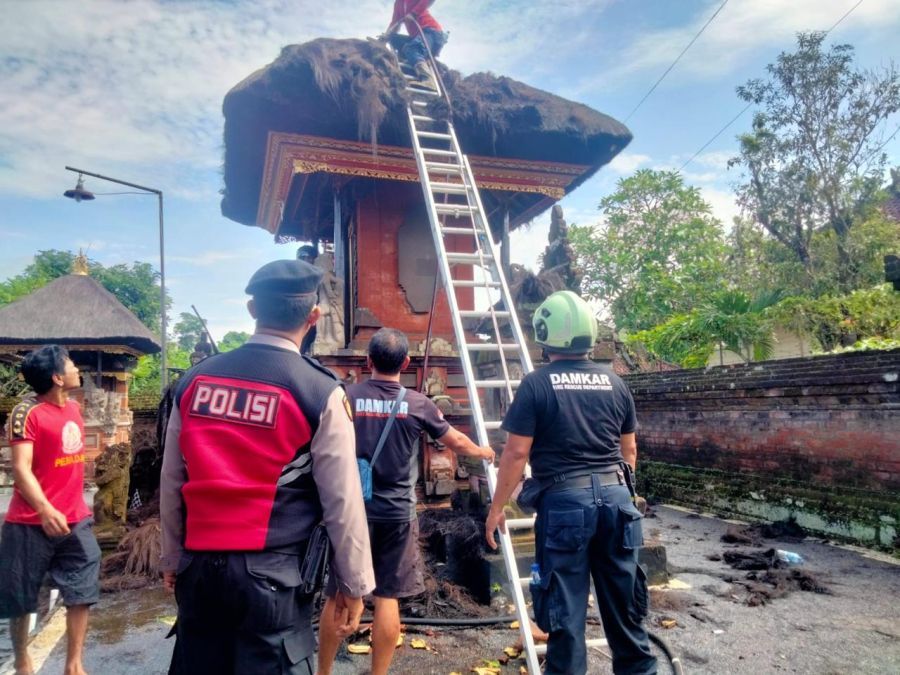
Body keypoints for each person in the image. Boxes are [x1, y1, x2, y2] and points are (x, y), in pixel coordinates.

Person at [160, 259, 375, 675]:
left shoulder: (194, 382)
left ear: (252, 310)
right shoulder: (320, 390)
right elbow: (342, 501)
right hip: (273, 578)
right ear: (314, 317)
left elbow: (172, 480)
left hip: (198, 569)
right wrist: (354, 584)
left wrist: (172, 558)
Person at [485, 291, 657, 675]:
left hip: (565, 505)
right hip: (617, 499)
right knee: (625, 608)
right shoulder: (615, 383)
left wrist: (496, 509)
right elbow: (628, 450)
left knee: (564, 614)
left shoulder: (536, 384)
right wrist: (622, 496)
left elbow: (515, 455)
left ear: (545, 335)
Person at [317, 328, 495, 675]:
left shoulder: (344, 397)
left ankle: (322, 672)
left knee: (338, 592)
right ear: (406, 363)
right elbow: (456, 440)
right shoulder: (417, 403)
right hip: (396, 514)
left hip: (349, 512)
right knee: (387, 597)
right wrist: (482, 451)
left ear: (367, 361)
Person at [0, 345, 101, 675]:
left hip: (75, 519)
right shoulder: (25, 413)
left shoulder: (73, 408)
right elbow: (21, 468)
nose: (76, 368)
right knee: (21, 597)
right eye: (70, 364)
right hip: (29, 522)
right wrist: (44, 509)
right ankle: (23, 660)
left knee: (82, 589)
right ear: (58, 377)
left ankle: (74, 664)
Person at [382, 0, 448, 82]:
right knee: (392, 38)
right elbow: (395, 22)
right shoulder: (398, 3)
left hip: (431, 31)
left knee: (412, 48)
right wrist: (386, 36)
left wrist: (413, 13)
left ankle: (427, 79)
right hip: (417, 36)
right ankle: (410, 58)